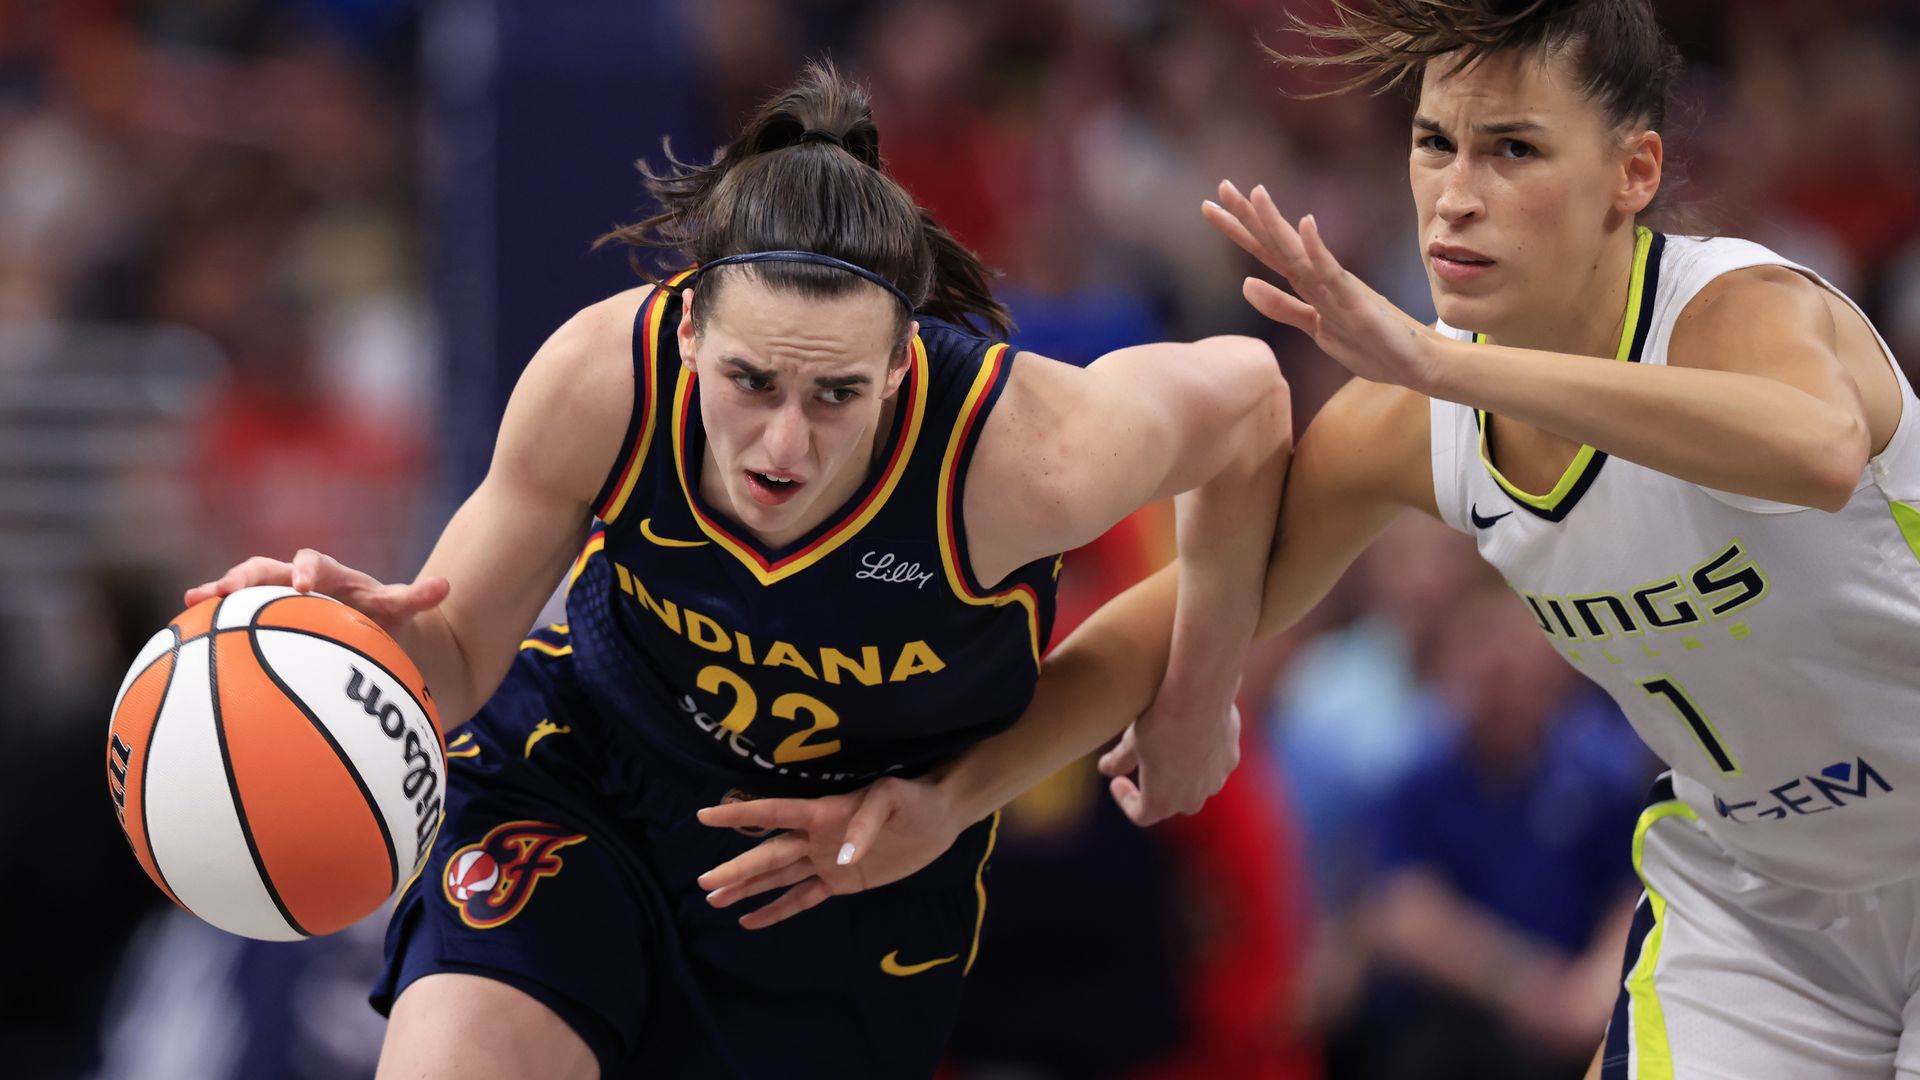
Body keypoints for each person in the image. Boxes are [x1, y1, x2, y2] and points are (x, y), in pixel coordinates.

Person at [697, 5, 1920, 1079]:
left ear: (1634, 172)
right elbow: (1191, 620)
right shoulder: (1412, 423)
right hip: (1760, 898)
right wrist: (954, 798)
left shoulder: (1743, 309)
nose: (1456, 191)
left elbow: (1814, 451)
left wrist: (1440, 361)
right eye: (1435, 142)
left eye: (1515, 151)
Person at [183, 62, 1288, 1079]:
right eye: (752, 382)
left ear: (902, 364)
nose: (784, 446)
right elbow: (462, 652)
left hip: (843, 873)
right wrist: (334, 641)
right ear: (687, 337)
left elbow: (1251, 399)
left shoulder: (1027, 455)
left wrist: (1199, 692)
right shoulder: (598, 378)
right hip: (588, 784)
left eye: (836, 396)